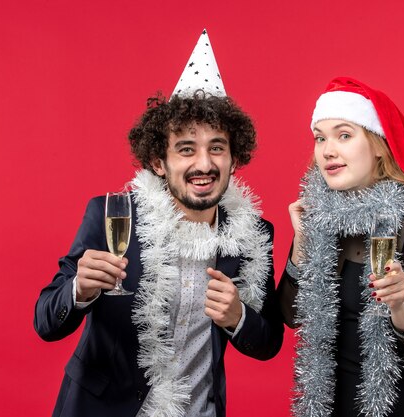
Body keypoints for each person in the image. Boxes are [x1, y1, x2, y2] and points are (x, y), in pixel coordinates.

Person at [34, 30, 283, 417]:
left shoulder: (253, 234)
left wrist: (239, 318)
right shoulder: (112, 217)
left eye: (216, 147)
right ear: (157, 162)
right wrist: (79, 290)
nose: (204, 164)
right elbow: (46, 321)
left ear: (234, 159)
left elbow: (268, 343)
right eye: (186, 149)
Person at [277, 76, 404, 417]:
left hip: (393, 408)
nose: (328, 150)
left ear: (377, 144)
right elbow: (290, 316)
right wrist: (302, 244)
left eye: (344, 135)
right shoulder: (320, 218)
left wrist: (399, 307)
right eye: (320, 138)